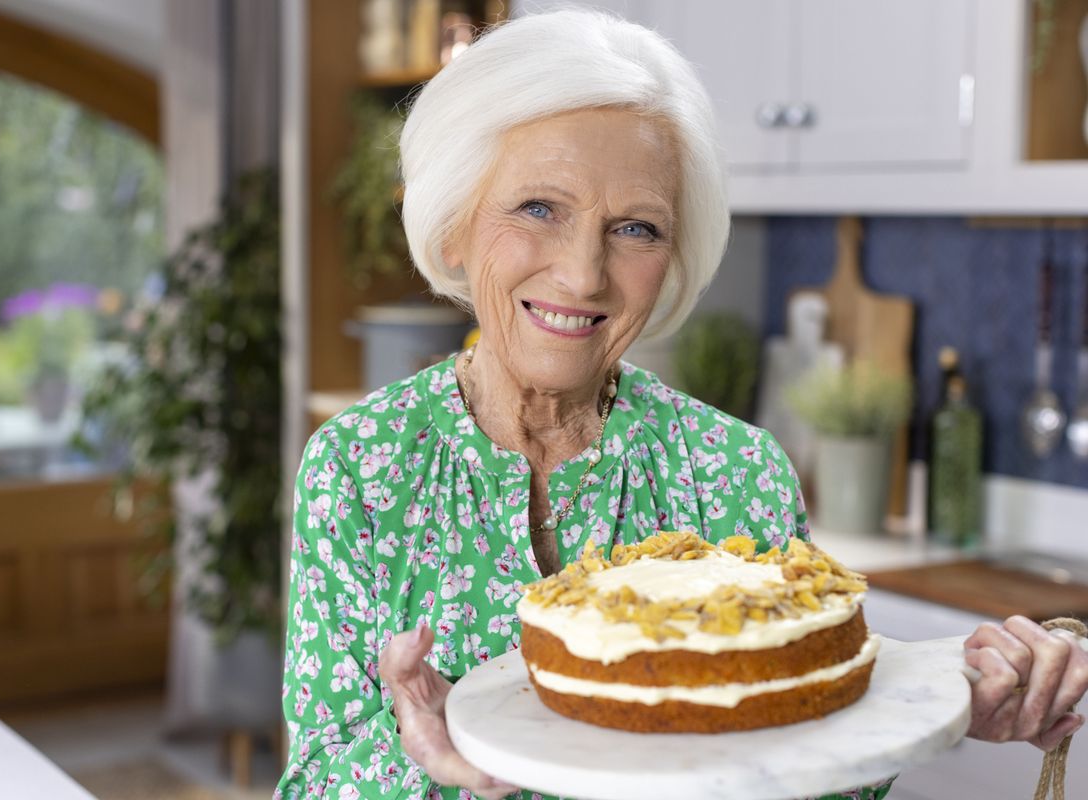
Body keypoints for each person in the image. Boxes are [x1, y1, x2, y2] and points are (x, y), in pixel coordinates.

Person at [276, 9, 1088, 800]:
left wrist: (949, 699)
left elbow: (816, 769)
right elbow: (315, 780)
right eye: (538, 208)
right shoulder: (359, 466)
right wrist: (421, 752)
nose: (583, 274)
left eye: (636, 229)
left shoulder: (735, 468)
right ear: (453, 222)